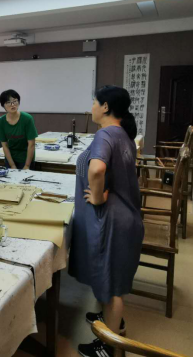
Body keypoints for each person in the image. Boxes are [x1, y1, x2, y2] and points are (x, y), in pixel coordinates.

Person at [68, 86, 144, 357]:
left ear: (106, 107)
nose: (92, 106)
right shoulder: (123, 134)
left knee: (112, 287)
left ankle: (109, 347)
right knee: (110, 278)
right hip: (125, 218)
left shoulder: (105, 134)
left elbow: (97, 168)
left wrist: (98, 198)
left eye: (95, 102)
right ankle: (111, 320)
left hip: (112, 220)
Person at [0, 89, 38, 170]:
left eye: (15, 101)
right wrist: (12, 165)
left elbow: (31, 144)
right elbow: (5, 145)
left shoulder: (27, 119)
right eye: (8, 102)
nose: (12, 105)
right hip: (10, 159)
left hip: (26, 158)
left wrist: (27, 166)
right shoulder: (1, 121)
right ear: (3, 105)